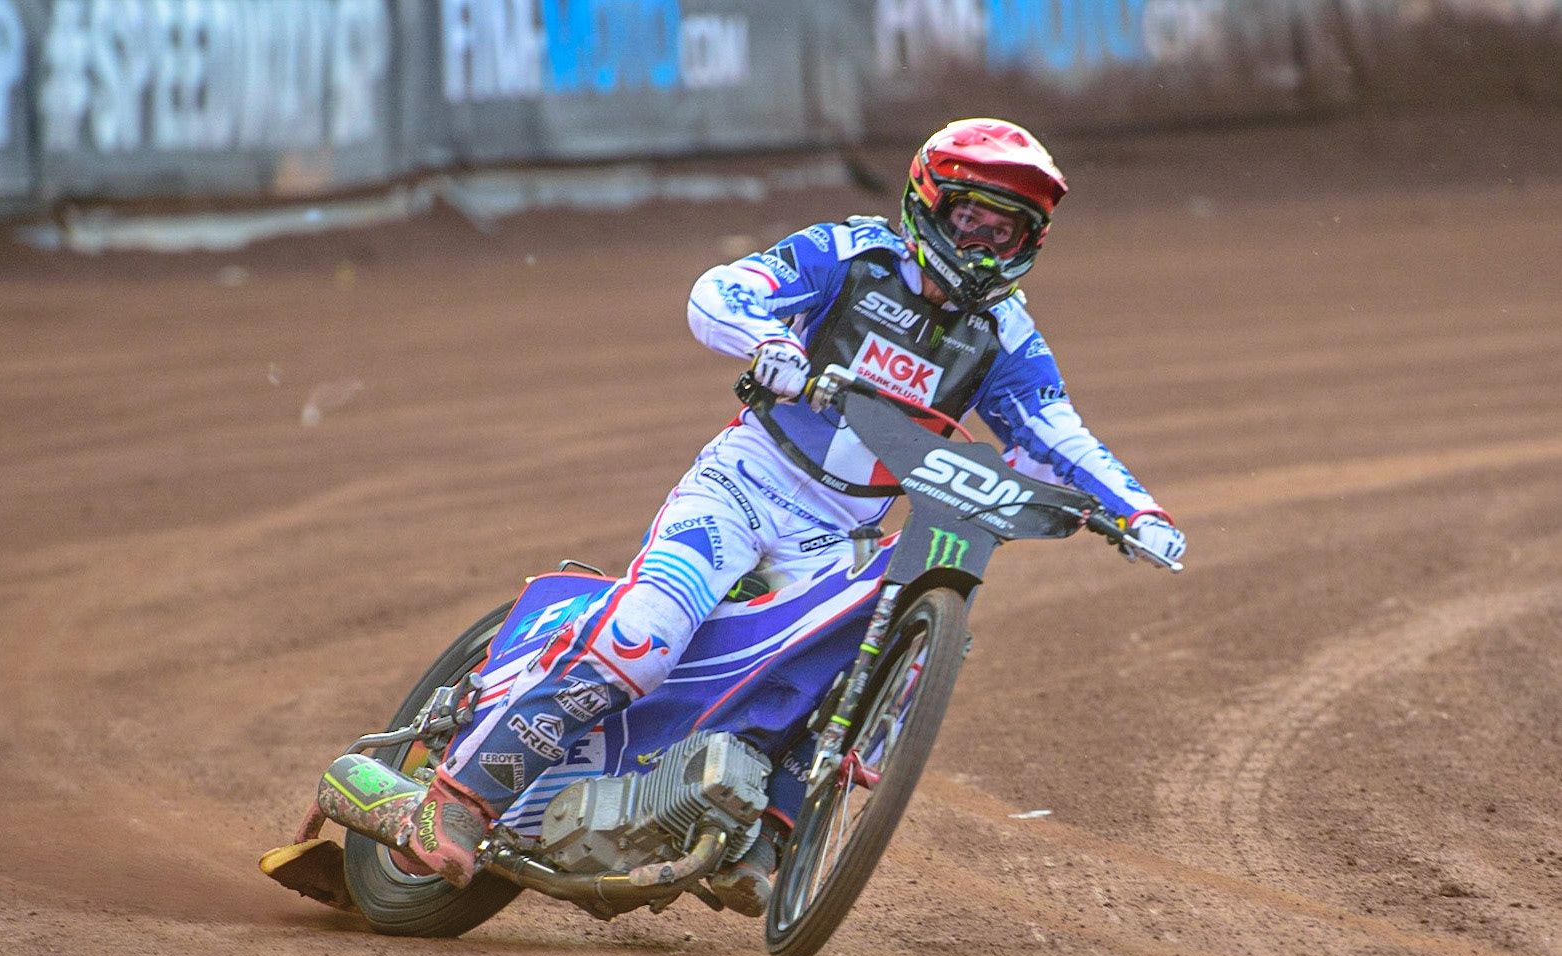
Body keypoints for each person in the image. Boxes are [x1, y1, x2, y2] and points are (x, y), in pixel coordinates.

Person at [382, 118, 1186, 912]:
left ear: (1029, 243)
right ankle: (459, 796)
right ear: (929, 204)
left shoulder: (1004, 333)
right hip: (742, 486)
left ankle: (769, 830)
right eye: (971, 218)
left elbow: (1050, 432)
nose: (982, 245)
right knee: (650, 633)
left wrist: (1136, 511)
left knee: (885, 664)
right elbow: (720, 291)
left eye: (1005, 230)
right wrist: (768, 340)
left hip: (837, 536)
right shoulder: (850, 253)